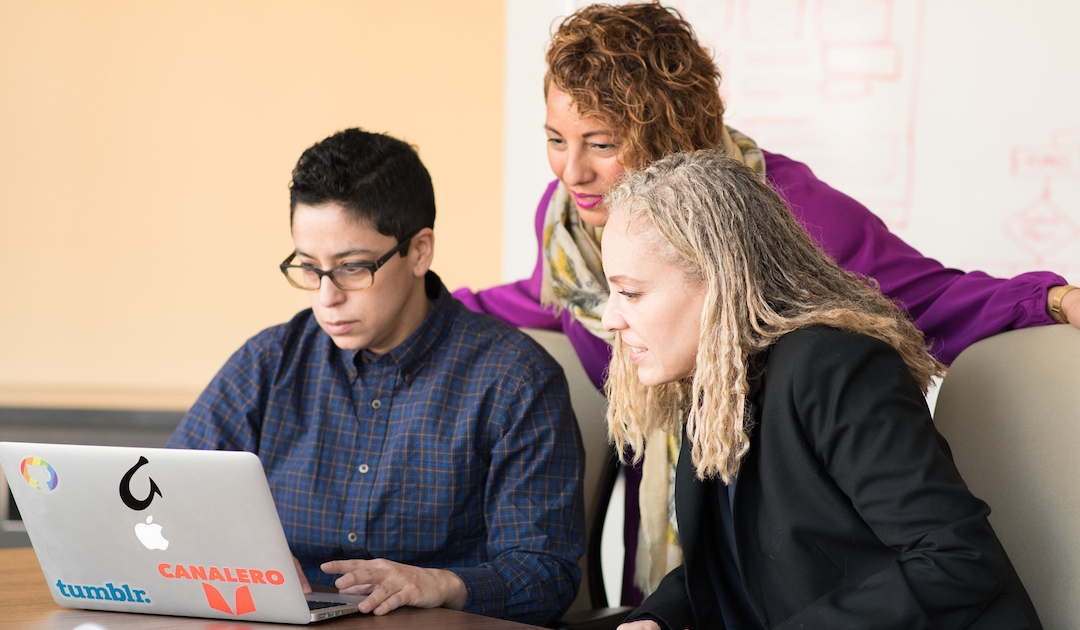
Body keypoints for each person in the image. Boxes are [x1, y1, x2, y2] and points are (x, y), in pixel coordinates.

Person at [452, 0, 1079, 601]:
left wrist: (1053, 302)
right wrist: (424, 304)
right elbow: (548, 300)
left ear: (668, 133)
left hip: (799, 556)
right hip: (685, 545)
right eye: (556, 140)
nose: (572, 172)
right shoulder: (569, 223)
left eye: (601, 143)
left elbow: (931, 298)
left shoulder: (789, 213)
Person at [602, 149, 1042, 630]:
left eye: (631, 293)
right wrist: (657, 621)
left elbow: (957, 561)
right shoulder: (716, 382)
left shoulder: (833, 366)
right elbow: (741, 560)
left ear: (719, 281)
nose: (608, 317)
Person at [168, 128, 585, 625]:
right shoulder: (269, 362)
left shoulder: (515, 380)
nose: (326, 297)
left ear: (419, 252)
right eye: (308, 268)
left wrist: (441, 584)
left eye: (352, 268)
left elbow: (545, 574)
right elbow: (171, 500)